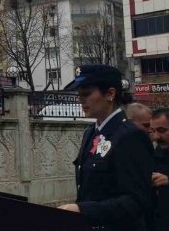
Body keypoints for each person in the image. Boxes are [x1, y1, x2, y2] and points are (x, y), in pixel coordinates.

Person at [57, 65, 153, 231]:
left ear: (110, 94)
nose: (81, 100)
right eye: (79, 94)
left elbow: (136, 201)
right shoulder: (90, 134)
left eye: (86, 94)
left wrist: (83, 210)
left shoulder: (130, 136)